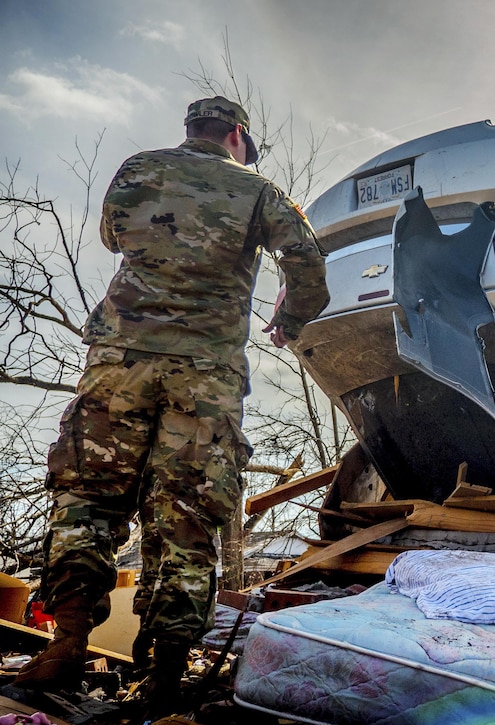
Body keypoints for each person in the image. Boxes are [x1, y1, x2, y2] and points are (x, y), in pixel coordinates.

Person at [16, 96, 330, 713]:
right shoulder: (258, 189)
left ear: (190, 131)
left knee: (87, 497)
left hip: (119, 364)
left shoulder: (137, 169)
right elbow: (309, 264)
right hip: (205, 377)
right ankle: (162, 674)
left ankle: (67, 643)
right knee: (185, 515)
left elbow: (112, 237)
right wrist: (289, 317)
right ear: (237, 135)